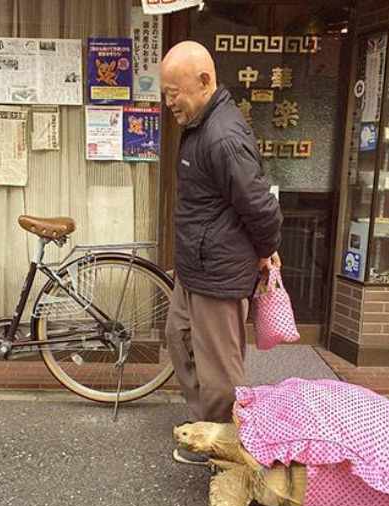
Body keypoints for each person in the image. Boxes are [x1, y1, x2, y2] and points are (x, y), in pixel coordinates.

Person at [161, 41, 282, 465]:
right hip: (196, 266)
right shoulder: (201, 125)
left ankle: (227, 450)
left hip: (219, 270)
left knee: (220, 370)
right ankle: (204, 427)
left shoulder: (223, 136)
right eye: (165, 92)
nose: (168, 101)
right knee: (179, 341)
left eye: (174, 91)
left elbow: (259, 204)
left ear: (204, 81)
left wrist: (266, 250)